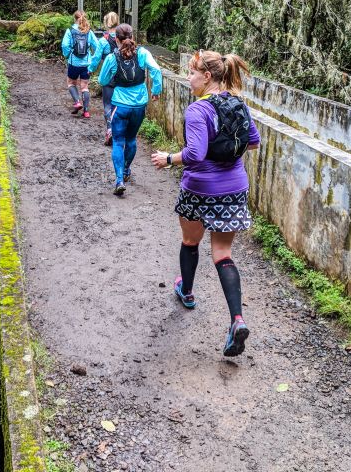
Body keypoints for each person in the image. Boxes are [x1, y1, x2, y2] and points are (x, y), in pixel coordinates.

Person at [150, 50, 260, 357]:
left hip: (200, 188)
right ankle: (236, 320)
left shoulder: (198, 111)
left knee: (190, 241)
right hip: (234, 187)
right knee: (223, 253)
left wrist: (168, 158)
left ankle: (186, 291)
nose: (188, 78)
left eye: (192, 73)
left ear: (207, 77)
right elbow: (253, 141)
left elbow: (195, 154)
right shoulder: (239, 103)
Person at [98, 23, 162, 196]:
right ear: (133, 37)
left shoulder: (113, 57)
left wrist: (113, 77)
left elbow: (102, 81)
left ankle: (119, 179)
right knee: (131, 139)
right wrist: (156, 90)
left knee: (118, 142)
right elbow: (156, 69)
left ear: (116, 40)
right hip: (139, 105)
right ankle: (126, 169)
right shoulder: (142, 53)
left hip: (120, 104)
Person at [61, 10, 101, 118]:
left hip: (74, 63)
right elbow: (97, 47)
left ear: (75, 19)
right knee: (85, 87)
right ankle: (86, 111)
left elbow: (65, 45)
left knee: (71, 83)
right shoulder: (89, 32)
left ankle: (77, 102)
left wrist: (68, 54)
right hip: (86, 64)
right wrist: (92, 59)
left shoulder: (70, 31)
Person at [88, 11, 120, 146]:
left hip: (109, 77)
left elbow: (96, 58)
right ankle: (120, 131)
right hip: (124, 77)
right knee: (120, 105)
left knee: (108, 104)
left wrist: (90, 70)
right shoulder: (124, 36)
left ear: (106, 23)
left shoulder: (103, 40)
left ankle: (110, 129)